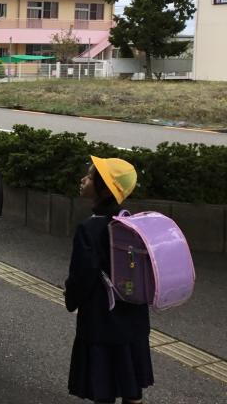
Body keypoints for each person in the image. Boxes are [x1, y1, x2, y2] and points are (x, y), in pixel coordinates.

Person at [65, 156, 151, 404]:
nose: (83, 179)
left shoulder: (89, 229)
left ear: (103, 190)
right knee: (131, 387)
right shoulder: (133, 225)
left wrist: (71, 298)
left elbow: (82, 275)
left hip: (100, 322)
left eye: (90, 177)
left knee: (103, 388)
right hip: (133, 321)